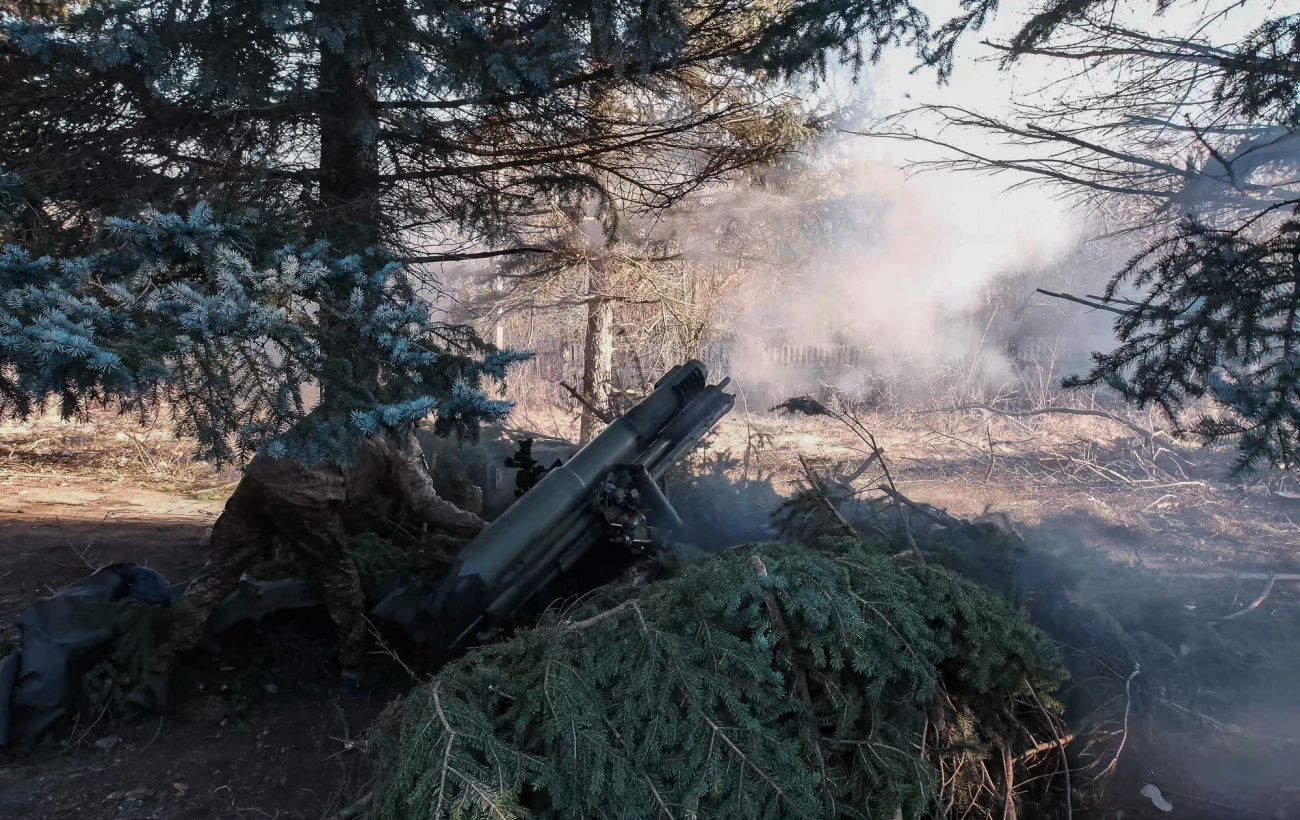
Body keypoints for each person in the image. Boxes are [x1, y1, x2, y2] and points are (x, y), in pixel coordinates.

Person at [139, 431, 486, 706]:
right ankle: (354, 673)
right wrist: (479, 527)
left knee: (215, 575)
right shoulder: (397, 433)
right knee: (340, 578)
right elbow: (426, 504)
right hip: (305, 495)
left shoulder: (341, 408)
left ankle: (156, 669)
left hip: (260, 477)